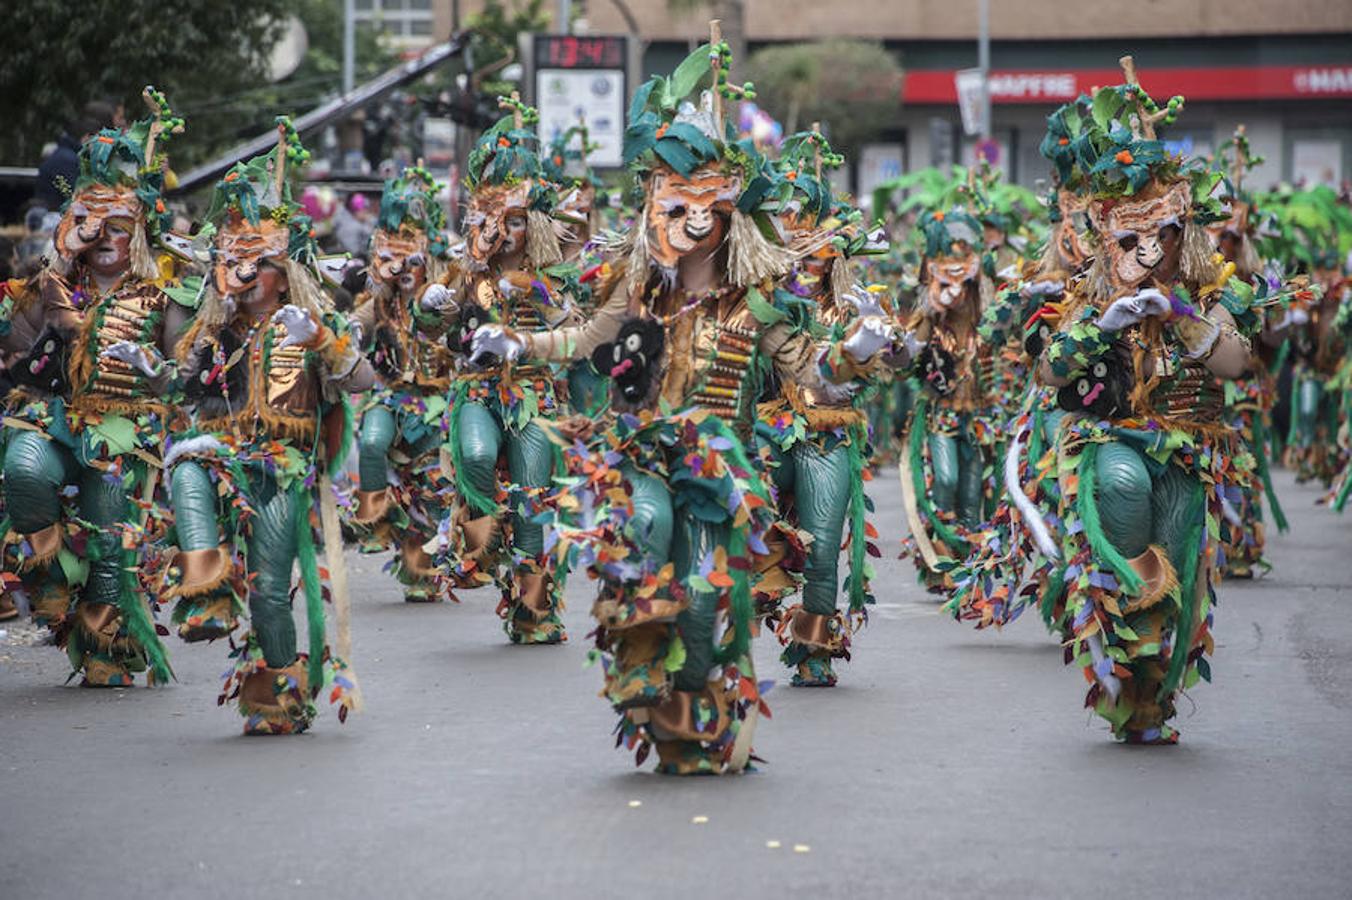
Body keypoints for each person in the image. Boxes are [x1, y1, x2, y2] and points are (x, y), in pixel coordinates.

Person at [469, 36, 893, 773]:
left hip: (724, 470)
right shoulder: (635, 291)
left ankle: (687, 706)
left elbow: (811, 374)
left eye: (711, 207)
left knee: (703, 604)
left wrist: (859, 350)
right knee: (645, 520)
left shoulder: (757, 303)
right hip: (640, 455)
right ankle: (637, 655)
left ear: (732, 217)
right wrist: (517, 347)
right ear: (654, 208)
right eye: (679, 205)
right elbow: (582, 339)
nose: (696, 221)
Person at [160, 120, 369, 733]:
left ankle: (280, 688)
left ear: (285, 270)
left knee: (271, 590)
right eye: (232, 260)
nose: (244, 272)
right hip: (228, 452)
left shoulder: (309, 321)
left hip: (285, 467)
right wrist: (172, 355)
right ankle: (205, 581)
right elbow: (179, 388)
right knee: (189, 461)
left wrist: (326, 343)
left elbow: (363, 383)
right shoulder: (214, 327)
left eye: (259, 262)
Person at [0, 89, 185, 686]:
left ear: (141, 232)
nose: (103, 236)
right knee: (24, 469)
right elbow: (12, 340)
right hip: (51, 416)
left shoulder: (164, 296)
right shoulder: (48, 282)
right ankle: (49, 578)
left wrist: (164, 375)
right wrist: (56, 268)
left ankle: (106, 651)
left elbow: (197, 366)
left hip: (124, 432)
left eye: (118, 225)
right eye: (90, 223)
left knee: (109, 552)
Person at [346, 166, 461, 603]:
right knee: (372, 443)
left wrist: (443, 308)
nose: (402, 268)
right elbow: (358, 320)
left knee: (431, 486)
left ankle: (421, 568)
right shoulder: (382, 298)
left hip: (435, 402)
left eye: (410, 257)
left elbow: (454, 325)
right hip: (391, 395)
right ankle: (375, 519)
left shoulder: (443, 288)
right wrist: (348, 332)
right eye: (392, 259)